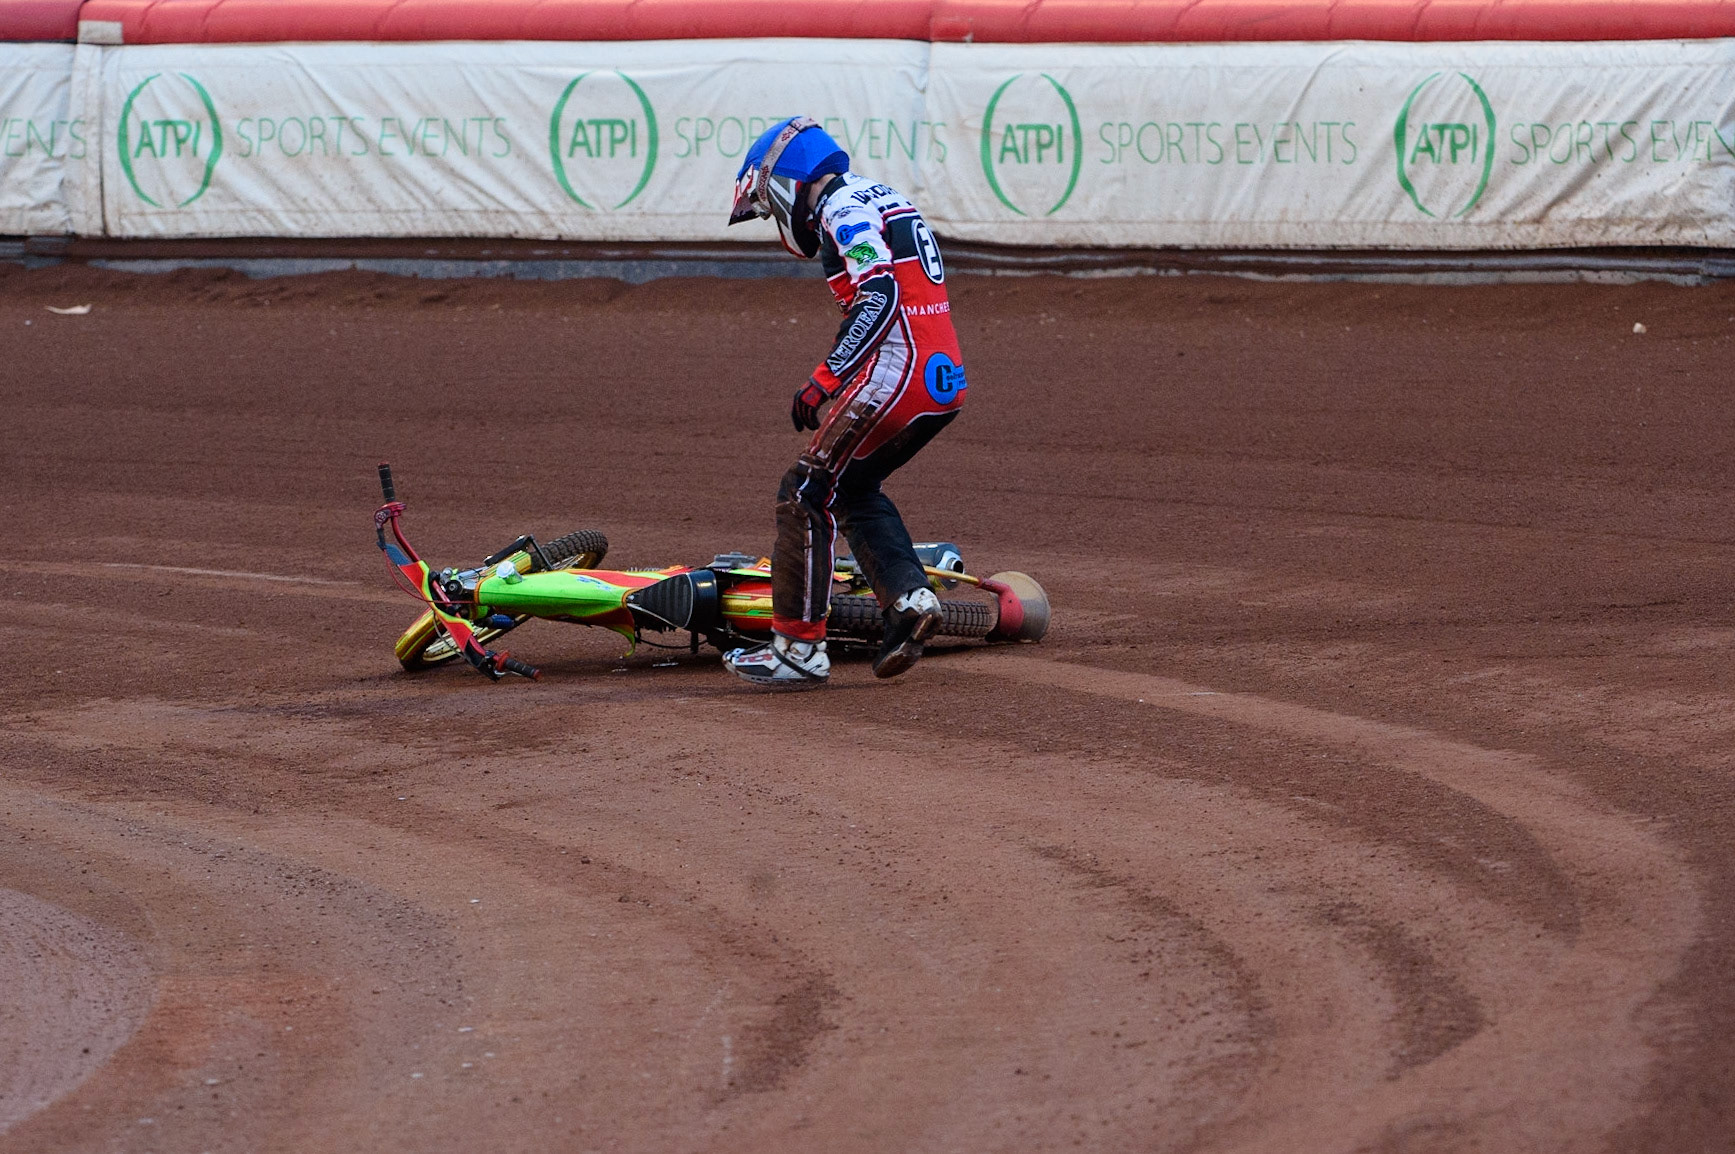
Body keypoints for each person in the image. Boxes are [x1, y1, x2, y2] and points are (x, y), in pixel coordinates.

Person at [721, 117, 968, 689]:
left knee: (803, 490)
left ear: (786, 181)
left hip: (897, 374)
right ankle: (908, 600)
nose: (773, 218)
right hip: (942, 377)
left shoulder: (842, 206)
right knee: (852, 487)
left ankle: (797, 649)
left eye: (767, 202)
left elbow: (879, 294)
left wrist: (826, 377)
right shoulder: (878, 195)